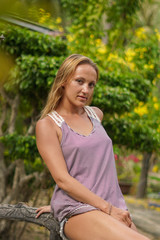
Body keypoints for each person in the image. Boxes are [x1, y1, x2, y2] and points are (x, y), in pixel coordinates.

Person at [35, 54, 150, 240]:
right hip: (80, 210)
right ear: (63, 80)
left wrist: (110, 208)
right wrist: (107, 209)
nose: (85, 90)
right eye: (79, 81)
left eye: (91, 84)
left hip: (110, 205)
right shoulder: (48, 125)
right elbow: (63, 179)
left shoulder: (96, 114)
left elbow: (90, 167)